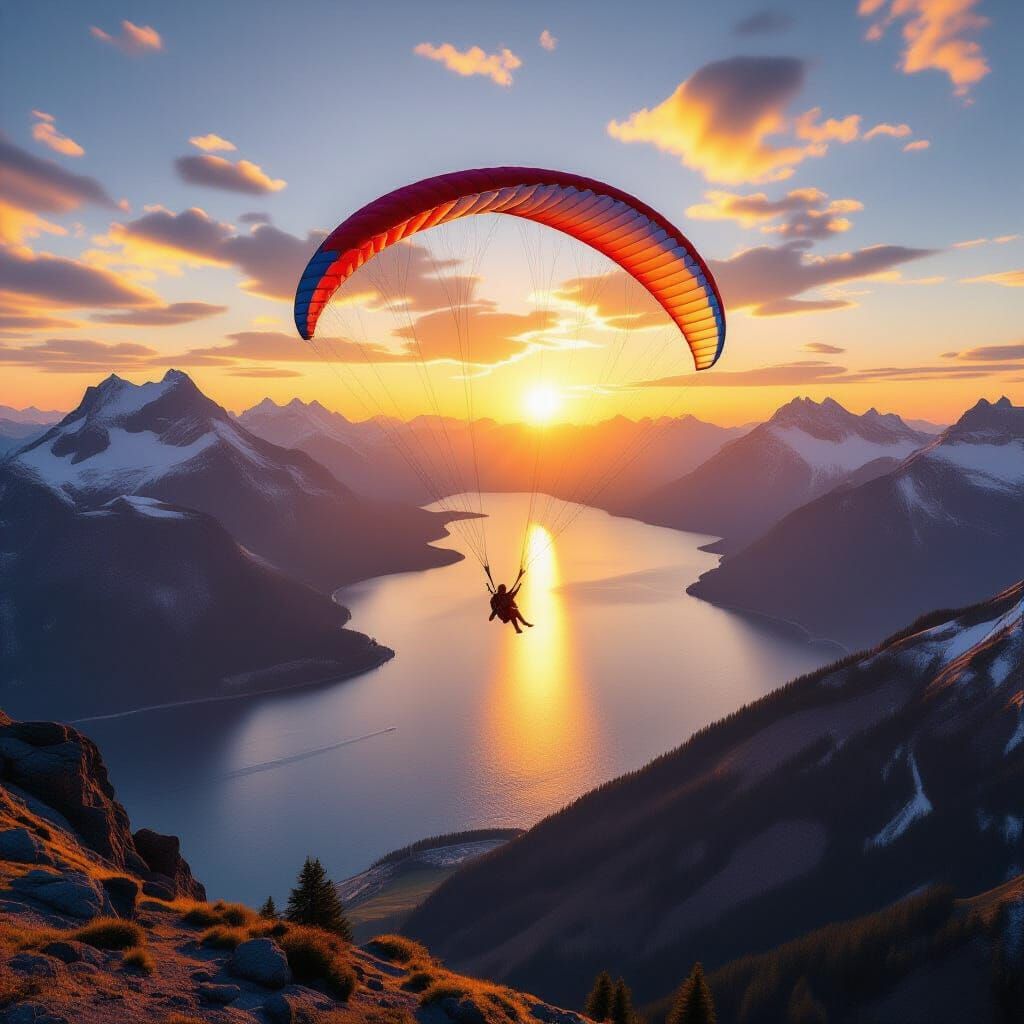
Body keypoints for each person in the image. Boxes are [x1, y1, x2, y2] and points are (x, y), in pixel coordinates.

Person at [486, 569, 533, 634]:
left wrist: (518, 587)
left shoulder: (507, 596)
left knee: (514, 611)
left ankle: (523, 624)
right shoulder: (496, 598)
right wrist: (492, 615)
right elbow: (494, 611)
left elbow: (513, 594)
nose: (503, 591)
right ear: (499, 590)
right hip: (503, 615)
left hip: (508, 613)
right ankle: (518, 628)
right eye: (502, 590)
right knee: (512, 611)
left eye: (504, 590)